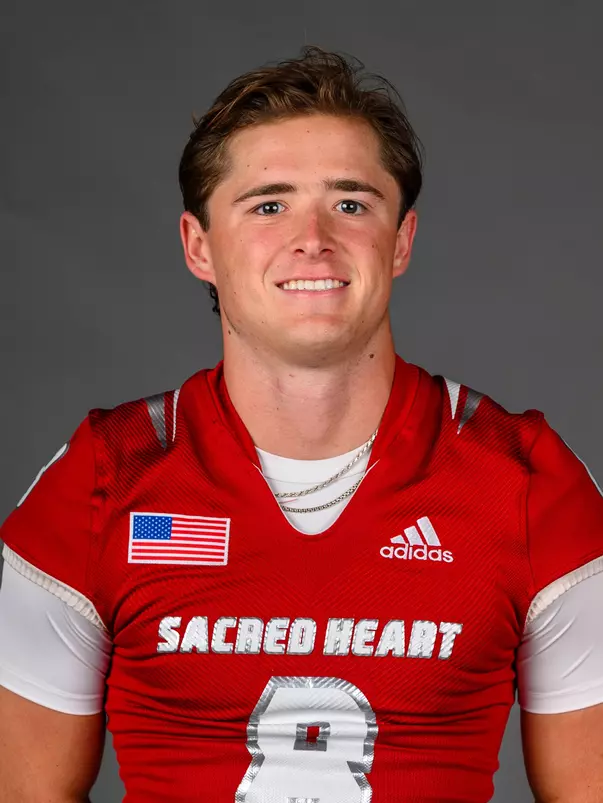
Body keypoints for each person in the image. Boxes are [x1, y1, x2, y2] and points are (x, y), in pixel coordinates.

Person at [1, 46, 602, 803]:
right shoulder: (100, 480)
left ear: (402, 240)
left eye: (351, 203)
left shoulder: (526, 481)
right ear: (198, 246)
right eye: (268, 204)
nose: (312, 237)